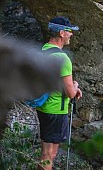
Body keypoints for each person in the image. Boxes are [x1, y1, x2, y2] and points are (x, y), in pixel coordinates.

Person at [36, 16, 82, 170]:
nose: (71, 34)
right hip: (56, 109)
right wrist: (75, 86)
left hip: (44, 106)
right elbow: (70, 93)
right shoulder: (62, 58)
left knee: (47, 153)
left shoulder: (44, 50)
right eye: (69, 31)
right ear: (62, 33)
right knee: (49, 154)